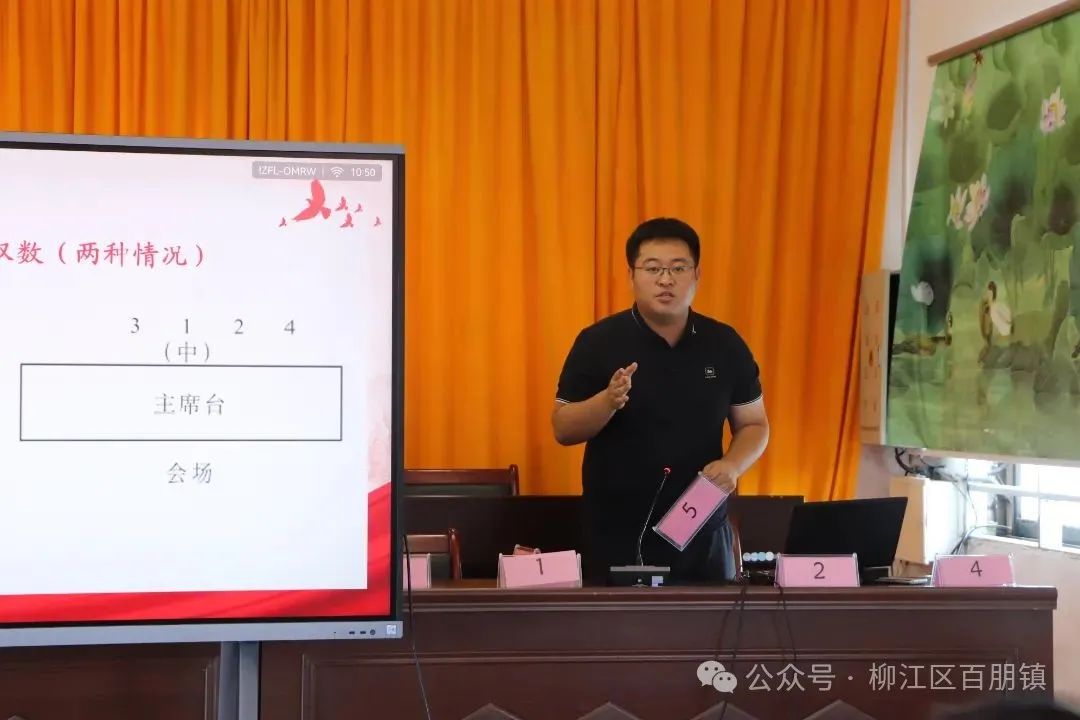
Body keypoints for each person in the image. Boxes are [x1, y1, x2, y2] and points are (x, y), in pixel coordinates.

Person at [551, 217, 769, 584]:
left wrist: (733, 465)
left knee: (710, 619)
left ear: (696, 274)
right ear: (632, 275)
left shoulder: (725, 343)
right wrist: (607, 401)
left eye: (678, 268)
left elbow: (754, 424)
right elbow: (563, 428)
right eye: (653, 268)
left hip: (700, 524)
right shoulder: (597, 342)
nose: (666, 280)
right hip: (616, 526)